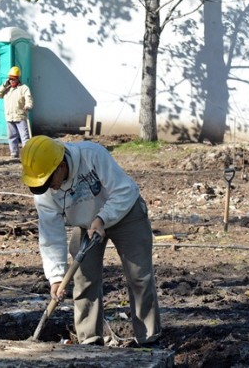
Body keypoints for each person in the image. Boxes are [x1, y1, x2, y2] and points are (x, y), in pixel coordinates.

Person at [19, 135, 161, 347]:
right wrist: (56, 276)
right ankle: (89, 343)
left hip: (125, 211)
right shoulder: (46, 193)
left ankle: (149, 339)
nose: (49, 188)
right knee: (83, 280)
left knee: (139, 276)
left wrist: (102, 218)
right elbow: (51, 236)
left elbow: (124, 190)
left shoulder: (92, 154)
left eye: (49, 181)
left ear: (60, 165)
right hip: (87, 224)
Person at [0, 66, 33, 158]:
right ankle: (14, 153)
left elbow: (29, 98)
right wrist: (4, 85)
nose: (11, 81)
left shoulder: (24, 88)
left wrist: (28, 105)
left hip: (20, 116)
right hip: (9, 117)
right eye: (10, 79)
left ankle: (26, 154)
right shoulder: (6, 89)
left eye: (13, 79)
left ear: (17, 79)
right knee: (12, 137)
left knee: (25, 138)